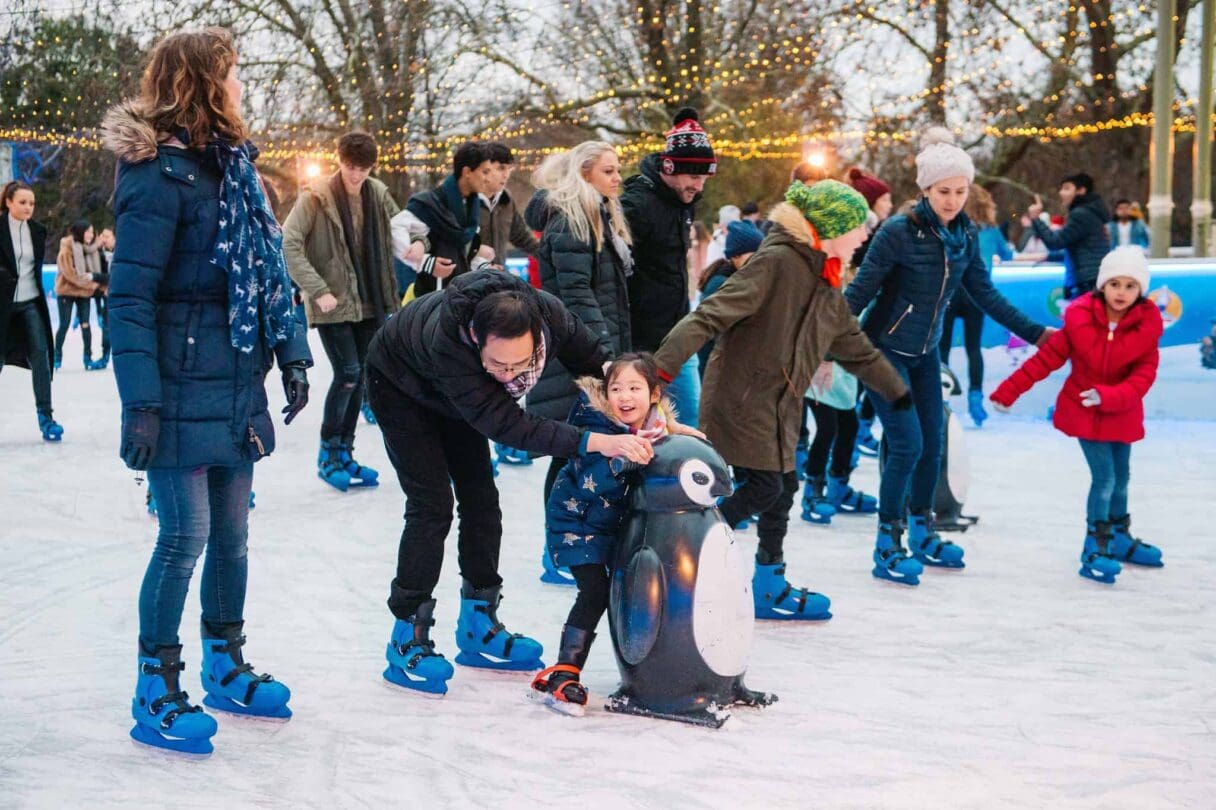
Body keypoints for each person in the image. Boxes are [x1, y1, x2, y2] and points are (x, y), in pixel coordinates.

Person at [101, 27, 313, 755]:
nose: (240, 85)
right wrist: (141, 402)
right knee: (183, 537)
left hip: (236, 381)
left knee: (232, 537)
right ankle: (155, 684)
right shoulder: (155, 176)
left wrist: (293, 353)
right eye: (231, 73)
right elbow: (130, 299)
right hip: (176, 383)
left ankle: (225, 663)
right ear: (201, 82)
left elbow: (270, 274)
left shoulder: (237, 170)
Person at [364, 271, 661, 695]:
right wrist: (598, 442)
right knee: (432, 506)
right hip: (399, 388)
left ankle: (478, 623)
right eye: (498, 365)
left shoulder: (552, 317)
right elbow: (509, 426)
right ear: (476, 339)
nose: (509, 376)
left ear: (537, 337)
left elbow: (601, 368)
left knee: (482, 501)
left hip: (457, 396)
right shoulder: (450, 344)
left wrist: (646, 416)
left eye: (520, 364)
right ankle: (406, 633)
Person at [654, 179, 909, 620]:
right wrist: (659, 371)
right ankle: (687, 549)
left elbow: (854, 346)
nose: (865, 234)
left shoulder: (825, 281)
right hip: (744, 397)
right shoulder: (777, 262)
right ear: (831, 227)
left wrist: (897, 393)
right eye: (858, 226)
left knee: (784, 488)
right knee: (766, 487)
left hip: (781, 403)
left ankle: (769, 583)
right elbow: (709, 315)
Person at [845, 128, 1050, 586]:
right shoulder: (898, 232)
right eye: (944, 192)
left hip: (924, 352)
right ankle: (887, 543)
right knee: (907, 444)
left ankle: (923, 532)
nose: (953, 200)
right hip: (883, 352)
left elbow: (985, 294)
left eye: (960, 191)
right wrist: (822, 347)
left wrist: (1036, 334)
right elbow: (859, 293)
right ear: (925, 189)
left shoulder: (966, 236)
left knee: (933, 444)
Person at [990, 247, 1164, 583]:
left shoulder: (1146, 327)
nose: (1121, 292)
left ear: (1140, 290)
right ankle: (1095, 545)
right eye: (1115, 284)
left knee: (1122, 478)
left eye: (1130, 286)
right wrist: (1008, 391)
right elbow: (1045, 360)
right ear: (1103, 285)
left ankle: (1119, 537)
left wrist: (1109, 396)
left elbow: (1143, 377)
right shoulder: (1080, 319)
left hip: (1121, 411)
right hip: (1084, 410)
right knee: (1105, 479)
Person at [530, 354, 674, 712]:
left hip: (612, 527)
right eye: (616, 389)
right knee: (595, 591)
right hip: (576, 524)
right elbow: (592, 481)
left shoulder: (654, 429)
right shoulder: (594, 426)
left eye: (634, 388)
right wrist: (624, 457)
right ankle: (564, 672)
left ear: (654, 394)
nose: (624, 397)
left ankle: (655, 668)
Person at [522, 141, 635, 579]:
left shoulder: (596, 216)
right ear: (584, 173)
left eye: (617, 170)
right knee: (568, 452)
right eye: (608, 171)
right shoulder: (573, 221)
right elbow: (577, 295)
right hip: (576, 356)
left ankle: (574, 548)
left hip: (585, 349)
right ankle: (557, 553)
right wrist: (604, 358)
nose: (617, 178)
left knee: (579, 452)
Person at [282, 130, 400, 491]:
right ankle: (328, 454)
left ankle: (345, 452)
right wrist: (317, 289)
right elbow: (289, 242)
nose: (356, 175)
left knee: (361, 376)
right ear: (340, 161)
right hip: (333, 303)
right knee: (348, 373)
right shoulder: (316, 197)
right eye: (351, 167)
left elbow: (402, 228)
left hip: (371, 301)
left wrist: (418, 245)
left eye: (363, 169)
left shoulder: (377, 193)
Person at [621, 106, 717, 425]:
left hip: (678, 331)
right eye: (694, 177)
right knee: (645, 427)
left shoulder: (683, 203)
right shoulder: (637, 205)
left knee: (690, 420)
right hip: (642, 339)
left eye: (704, 178)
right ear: (670, 168)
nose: (699, 186)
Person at [939, 184, 1013, 427]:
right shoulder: (991, 230)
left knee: (942, 347)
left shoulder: (952, 227)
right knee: (973, 348)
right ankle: (975, 398)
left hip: (950, 291)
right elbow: (1008, 255)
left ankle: (941, 398)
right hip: (977, 294)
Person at [0, 180, 62, 440]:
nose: (28, 207)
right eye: (23, 202)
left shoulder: (37, 231)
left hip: (30, 302)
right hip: (2, 305)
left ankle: (46, 417)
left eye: (32, 203)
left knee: (41, 354)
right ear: (8, 202)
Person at [400, 141, 498, 297]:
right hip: (431, 298)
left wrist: (484, 267)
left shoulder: (472, 208)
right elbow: (396, 233)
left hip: (461, 296)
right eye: (485, 172)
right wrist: (427, 263)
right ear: (467, 172)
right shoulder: (431, 204)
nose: (488, 179)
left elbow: (465, 255)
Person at [845, 167, 893, 456]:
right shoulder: (865, 235)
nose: (889, 204)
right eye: (885, 200)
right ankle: (856, 432)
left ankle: (860, 429)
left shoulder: (881, 231)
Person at [695, 218, 763, 376]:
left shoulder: (742, 278)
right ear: (736, 255)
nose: (760, 260)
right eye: (754, 255)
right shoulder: (722, 284)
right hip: (715, 368)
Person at [1026, 172, 1111, 297]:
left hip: (1087, 281)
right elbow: (1082, 247)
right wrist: (1049, 257)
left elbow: (1055, 242)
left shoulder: (1080, 214)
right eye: (1061, 189)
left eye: (1066, 188)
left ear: (1081, 191)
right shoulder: (1091, 212)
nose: (1061, 193)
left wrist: (1035, 218)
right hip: (1092, 278)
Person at [479, 141, 540, 266]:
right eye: (501, 168)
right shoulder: (463, 201)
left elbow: (522, 237)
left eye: (509, 169)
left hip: (497, 274)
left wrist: (551, 255)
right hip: (465, 276)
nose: (506, 175)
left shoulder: (506, 202)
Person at [53, 219, 101, 370]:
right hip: (67, 291)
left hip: (84, 293)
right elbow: (69, 273)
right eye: (88, 232)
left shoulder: (92, 249)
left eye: (92, 232)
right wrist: (90, 284)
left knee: (85, 324)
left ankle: (88, 358)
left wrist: (95, 283)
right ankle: (56, 356)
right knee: (64, 324)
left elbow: (96, 272)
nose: (91, 235)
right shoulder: (66, 247)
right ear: (80, 232)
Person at [92, 227, 115, 369]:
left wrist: (95, 277)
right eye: (102, 236)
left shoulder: (122, 252)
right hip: (105, 295)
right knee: (106, 327)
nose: (104, 239)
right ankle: (105, 357)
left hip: (121, 295)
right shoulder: (99, 253)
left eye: (107, 236)